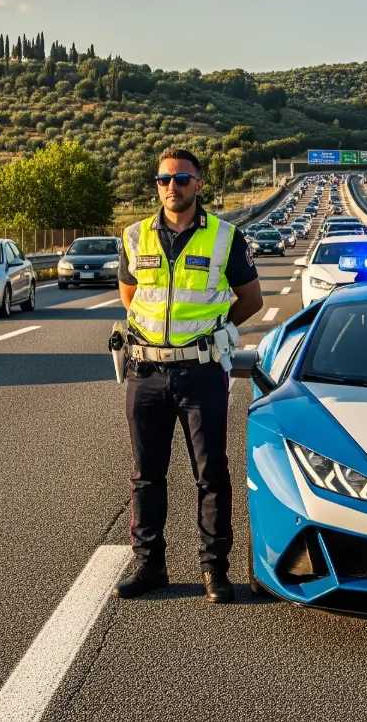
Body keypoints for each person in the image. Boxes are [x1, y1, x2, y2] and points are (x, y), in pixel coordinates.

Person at [114, 147, 264, 603]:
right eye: (163, 180)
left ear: (199, 184)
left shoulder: (224, 237)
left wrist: (211, 332)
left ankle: (214, 569)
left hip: (200, 372)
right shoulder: (134, 236)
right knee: (146, 474)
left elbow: (251, 298)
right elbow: (130, 298)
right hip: (146, 371)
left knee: (211, 473)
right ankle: (149, 565)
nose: (172, 186)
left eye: (181, 178)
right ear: (156, 185)